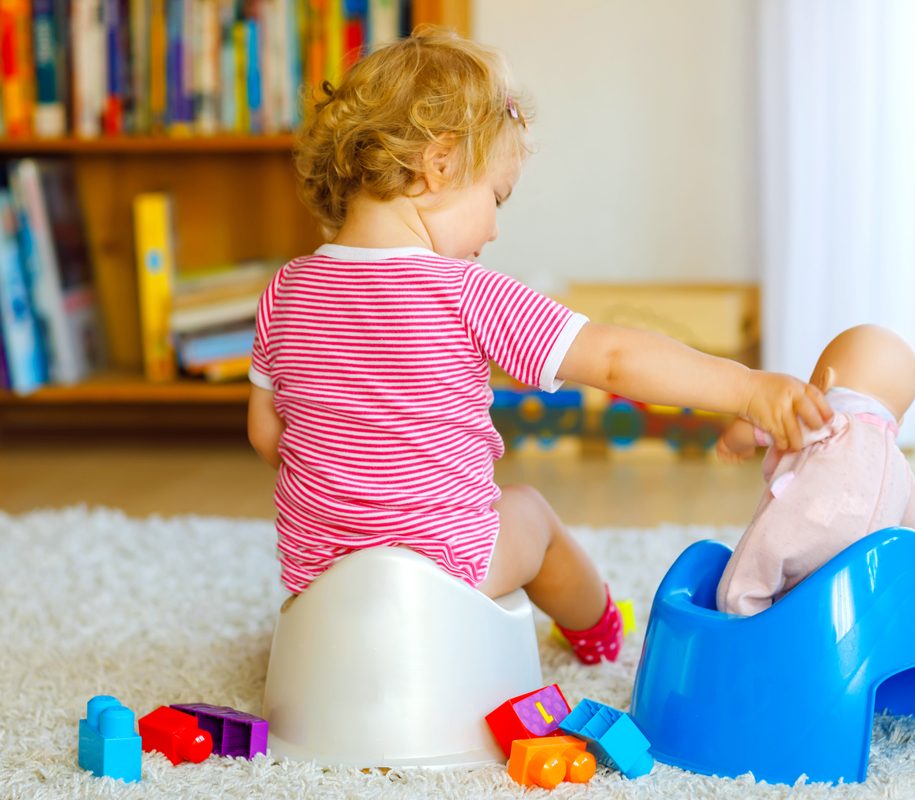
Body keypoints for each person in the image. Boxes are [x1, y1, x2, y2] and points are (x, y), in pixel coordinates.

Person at [247, 27, 831, 664]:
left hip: (317, 577)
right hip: (449, 570)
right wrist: (746, 387)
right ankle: (597, 629)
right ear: (438, 164)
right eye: (495, 198)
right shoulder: (464, 290)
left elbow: (267, 436)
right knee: (529, 511)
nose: (495, 229)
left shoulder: (284, 289)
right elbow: (613, 358)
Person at [715, 324, 915, 616]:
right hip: (862, 571)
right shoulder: (900, 466)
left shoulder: (831, 420)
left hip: (803, 532)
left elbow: (776, 422)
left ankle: (739, 620)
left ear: (823, 380)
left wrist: (736, 438)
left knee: (751, 571)